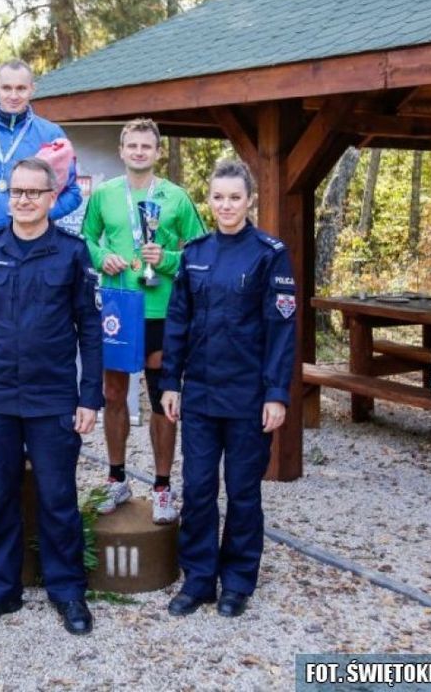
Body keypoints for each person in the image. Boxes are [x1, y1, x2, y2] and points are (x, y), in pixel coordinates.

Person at [0, 157, 103, 635]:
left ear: (52, 197)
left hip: (54, 397)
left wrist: (89, 397)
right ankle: (2, 590)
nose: (23, 200)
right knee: (0, 498)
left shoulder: (73, 253)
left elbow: (92, 331)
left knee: (58, 497)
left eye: (33, 192)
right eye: (16, 191)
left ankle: (68, 592)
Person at [159, 159, 296, 619]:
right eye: (218, 197)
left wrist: (277, 393)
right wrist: (170, 383)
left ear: (250, 200)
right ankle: (198, 579)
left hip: (247, 397)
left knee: (242, 491)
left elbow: (282, 330)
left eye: (235, 197)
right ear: (210, 199)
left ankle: (236, 582)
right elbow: (177, 321)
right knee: (197, 488)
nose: (226, 206)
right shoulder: (195, 252)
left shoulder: (268, 253)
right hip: (199, 393)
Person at [0, 59, 84, 457]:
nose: (13, 95)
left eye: (21, 89)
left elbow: (72, 192)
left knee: (36, 329)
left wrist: (37, 216)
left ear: (32, 90)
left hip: (36, 245)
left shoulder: (50, 134)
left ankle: (39, 421)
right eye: (6, 88)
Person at [80, 118, 206, 523]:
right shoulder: (103, 195)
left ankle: (163, 487)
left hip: (161, 310)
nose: (138, 152)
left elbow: (203, 253)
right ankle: (117, 479)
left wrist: (166, 260)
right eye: (132, 145)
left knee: (161, 399)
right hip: (119, 308)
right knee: (114, 394)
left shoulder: (176, 198)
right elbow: (85, 239)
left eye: (146, 146)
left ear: (157, 152)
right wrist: (103, 258)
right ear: (121, 151)